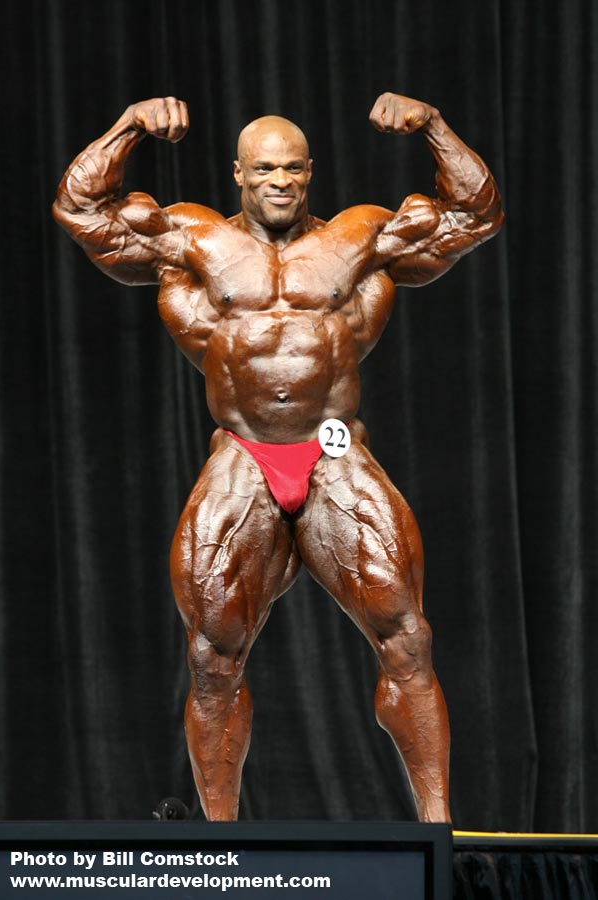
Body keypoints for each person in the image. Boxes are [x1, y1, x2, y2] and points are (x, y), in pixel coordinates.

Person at [53, 92, 504, 823]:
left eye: (292, 169)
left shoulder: (358, 238)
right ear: (238, 173)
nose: (280, 181)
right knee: (212, 658)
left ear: (310, 172)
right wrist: (130, 125)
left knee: (407, 636)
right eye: (264, 169)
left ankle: (437, 833)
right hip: (242, 452)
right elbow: (81, 209)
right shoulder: (192, 239)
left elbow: (474, 216)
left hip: (332, 447)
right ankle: (220, 846)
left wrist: (434, 126)